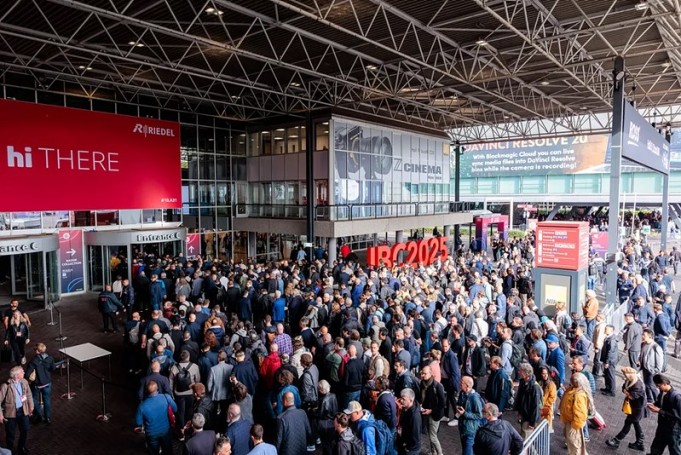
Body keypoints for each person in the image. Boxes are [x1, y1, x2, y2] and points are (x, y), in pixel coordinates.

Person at [606, 367, 646, 451]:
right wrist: (626, 390)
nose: (624, 376)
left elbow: (632, 396)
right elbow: (624, 388)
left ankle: (617, 440)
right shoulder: (631, 381)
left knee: (628, 423)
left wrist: (626, 392)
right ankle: (640, 442)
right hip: (634, 407)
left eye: (625, 375)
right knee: (636, 423)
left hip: (637, 409)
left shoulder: (637, 385)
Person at [134, 380, 177, 455]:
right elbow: (175, 409)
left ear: (146, 391)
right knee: (168, 451)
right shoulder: (166, 397)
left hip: (151, 434)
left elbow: (138, 422)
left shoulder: (142, 406)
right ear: (157, 388)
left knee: (154, 452)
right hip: (165, 430)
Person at [0, 366, 34, 455]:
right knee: (10, 434)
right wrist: (0, 415)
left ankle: (21, 447)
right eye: (22, 372)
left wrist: (31, 406)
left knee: (25, 430)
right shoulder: (5, 385)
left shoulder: (24, 382)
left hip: (23, 411)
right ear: (16, 375)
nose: (24, 372)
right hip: (10, 414)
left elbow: (29, 394)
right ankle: (10, 450)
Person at [647, 374, 681, 455]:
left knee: (674, 450)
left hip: (673, 429)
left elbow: (678, 415)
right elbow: (660, 403)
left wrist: (660, 411)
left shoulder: (676, 397)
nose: (657, 388)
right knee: (656, 446)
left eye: (659, 386)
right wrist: (653, 405)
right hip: (662, 426)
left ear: (665, 384)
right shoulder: (662, 392)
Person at [559, 373, 591, 455]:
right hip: (570, 421)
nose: (571, 382)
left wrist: (575, 426)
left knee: (575, 444)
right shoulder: (573, 389)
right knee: (573, 443)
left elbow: (580, 414)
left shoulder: (579, 395)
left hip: (574, 424)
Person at [24, 342, 55, 424]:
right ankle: (47, 418)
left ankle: (39, 415)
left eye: (35, 350)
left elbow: (27, 374)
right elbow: (53, 368)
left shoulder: (33, 361)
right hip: (47, 383)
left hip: (37, 384)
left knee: (33, 399)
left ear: (37, 351)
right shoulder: (50, 358)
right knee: (47, 400)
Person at [419, 366, 445, 455]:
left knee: (432, 436)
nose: (422, 375)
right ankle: (433, 452)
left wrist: (431, 410)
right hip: (426, 412)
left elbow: (442, 403)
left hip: (435, 414)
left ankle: (440, 453)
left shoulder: (437, 386)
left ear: (430, 373)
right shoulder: (422, 383)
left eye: (425, 373)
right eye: (422, 373)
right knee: (431, 435)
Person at [456, 376, 484, 455]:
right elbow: (459, 403)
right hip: (462, 427)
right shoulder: (462, 393)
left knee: (467, 452)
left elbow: (479, 415)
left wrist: (464, 413)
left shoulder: (475, 398)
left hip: (470, 430)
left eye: (461, 383)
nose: (459, 384)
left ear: (467, 385)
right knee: (465, 449)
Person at [514, 363, 542, 438]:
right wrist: (519, 412)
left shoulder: (534, 387)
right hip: (524, 415)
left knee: (526, 437)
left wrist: (532, 422)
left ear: (527, 373)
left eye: (521, 371)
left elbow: (535, 406)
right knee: (524, 434)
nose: (519, 372)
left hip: (529, 418)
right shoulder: (523, 382)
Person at [640, 328, 665, 403]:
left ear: (650, 337)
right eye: (642, 334)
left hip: (652, 371)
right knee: (646, 384)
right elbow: (642, 354)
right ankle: (649, 399)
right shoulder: (643, 344)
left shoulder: (656, 347)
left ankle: (658, 401)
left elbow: (659, 361)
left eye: (644, 335)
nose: (642, 336)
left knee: (652, 386)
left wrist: (655, 371)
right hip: (645, 368)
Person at [396, 388, 421, 455]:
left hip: (410, 449)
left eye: (403, 399)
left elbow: (415, 435)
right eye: (401, 398)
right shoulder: (406, 408)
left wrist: (407, 447)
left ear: (411, 400)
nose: (401, 401)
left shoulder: (414, 416)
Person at [600, 324, 618, 396]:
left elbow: (610, 352)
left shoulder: (612, 340)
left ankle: (612, 391)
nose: (605, 330)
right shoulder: (608, 338)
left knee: (610, 375)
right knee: (607, 374)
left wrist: (607, 362)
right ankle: (607, 388)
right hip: (608, 360)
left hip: (610, 361)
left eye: (606, 329)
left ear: (611, 330)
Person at [538, 366, 557, 434]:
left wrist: (545, 404)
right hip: (541, 405)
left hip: (547, 406)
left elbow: (552, 398)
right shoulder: (540, 383)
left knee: (547, 423)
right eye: (543, 373)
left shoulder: (551, 384)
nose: (545, 375)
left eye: (546, 373)